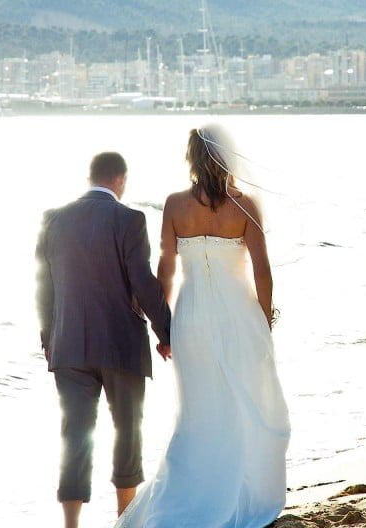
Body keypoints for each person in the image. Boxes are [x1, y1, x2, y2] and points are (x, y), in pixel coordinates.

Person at [115, 125, 291, 527]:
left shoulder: (175, 204)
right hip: (239, 318)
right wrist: (264, 322)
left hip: (191, 319)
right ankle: (238, 491)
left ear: (191, 158)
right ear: (227, 157)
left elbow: (166, 269)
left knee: (197, 412)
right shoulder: (245, 205)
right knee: (247, 406)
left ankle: (191, 494)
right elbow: (262, 272)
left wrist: (164, 327)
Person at [36, 152, 172, 528]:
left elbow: (44, 285)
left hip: (68, 347)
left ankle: (71, 525)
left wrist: (49, 338)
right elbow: (142, 281)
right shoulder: (129, 219)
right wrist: (167, 333)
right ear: (120, 180)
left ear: (90, 177)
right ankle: (124, 519)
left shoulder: (54, 219)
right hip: (120, 345)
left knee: (75, 436)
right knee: (127, 431)